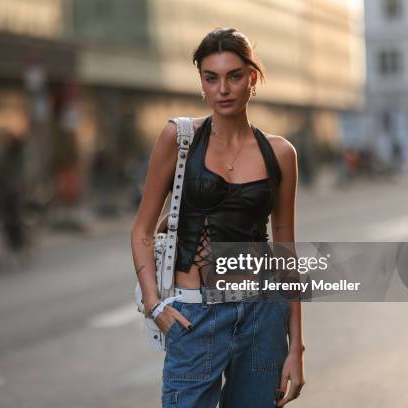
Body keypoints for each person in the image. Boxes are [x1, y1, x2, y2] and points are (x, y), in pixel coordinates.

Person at [131, 28, 305, 407]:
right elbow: (143, 229)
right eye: (212, 78)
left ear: (252, 80)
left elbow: (285, 249)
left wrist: (296, 347)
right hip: (194, 314)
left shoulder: (280, 153)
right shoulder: (179, 138)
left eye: (234, 76)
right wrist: (154, 303)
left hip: (262, 312)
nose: (222, 89)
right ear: (202, 83)